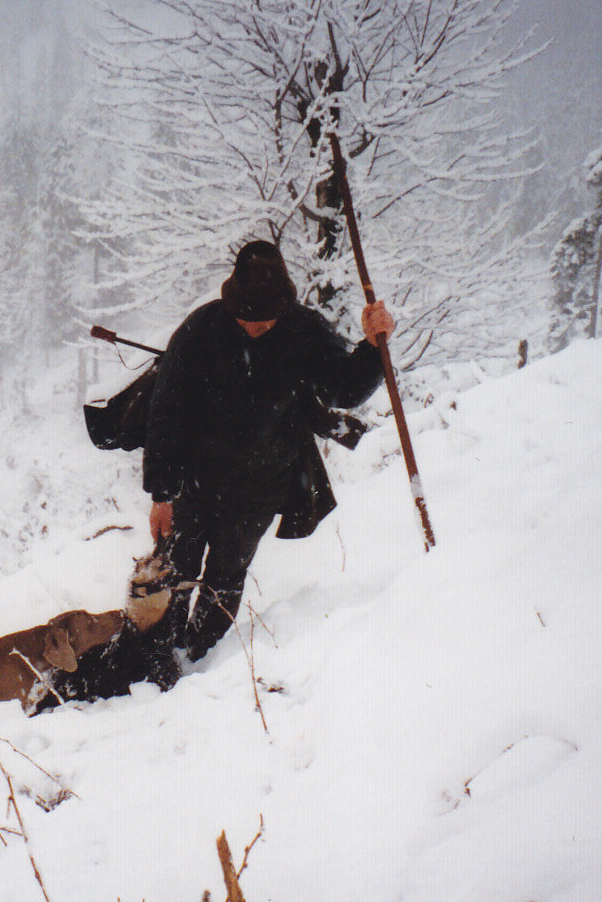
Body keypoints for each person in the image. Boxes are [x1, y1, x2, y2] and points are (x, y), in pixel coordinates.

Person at [55, 239, 391, 702]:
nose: (255, 327)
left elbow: (346, 388)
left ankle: (200, 659)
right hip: (195, 482)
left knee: (227, 576)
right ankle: (159, 660)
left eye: (266, 320)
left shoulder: (303, 332)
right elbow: (166, 416)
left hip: (261, 486)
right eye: (247, 317)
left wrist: (373, 347)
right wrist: (162, 495)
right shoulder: (201, 331)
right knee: (176, 571)